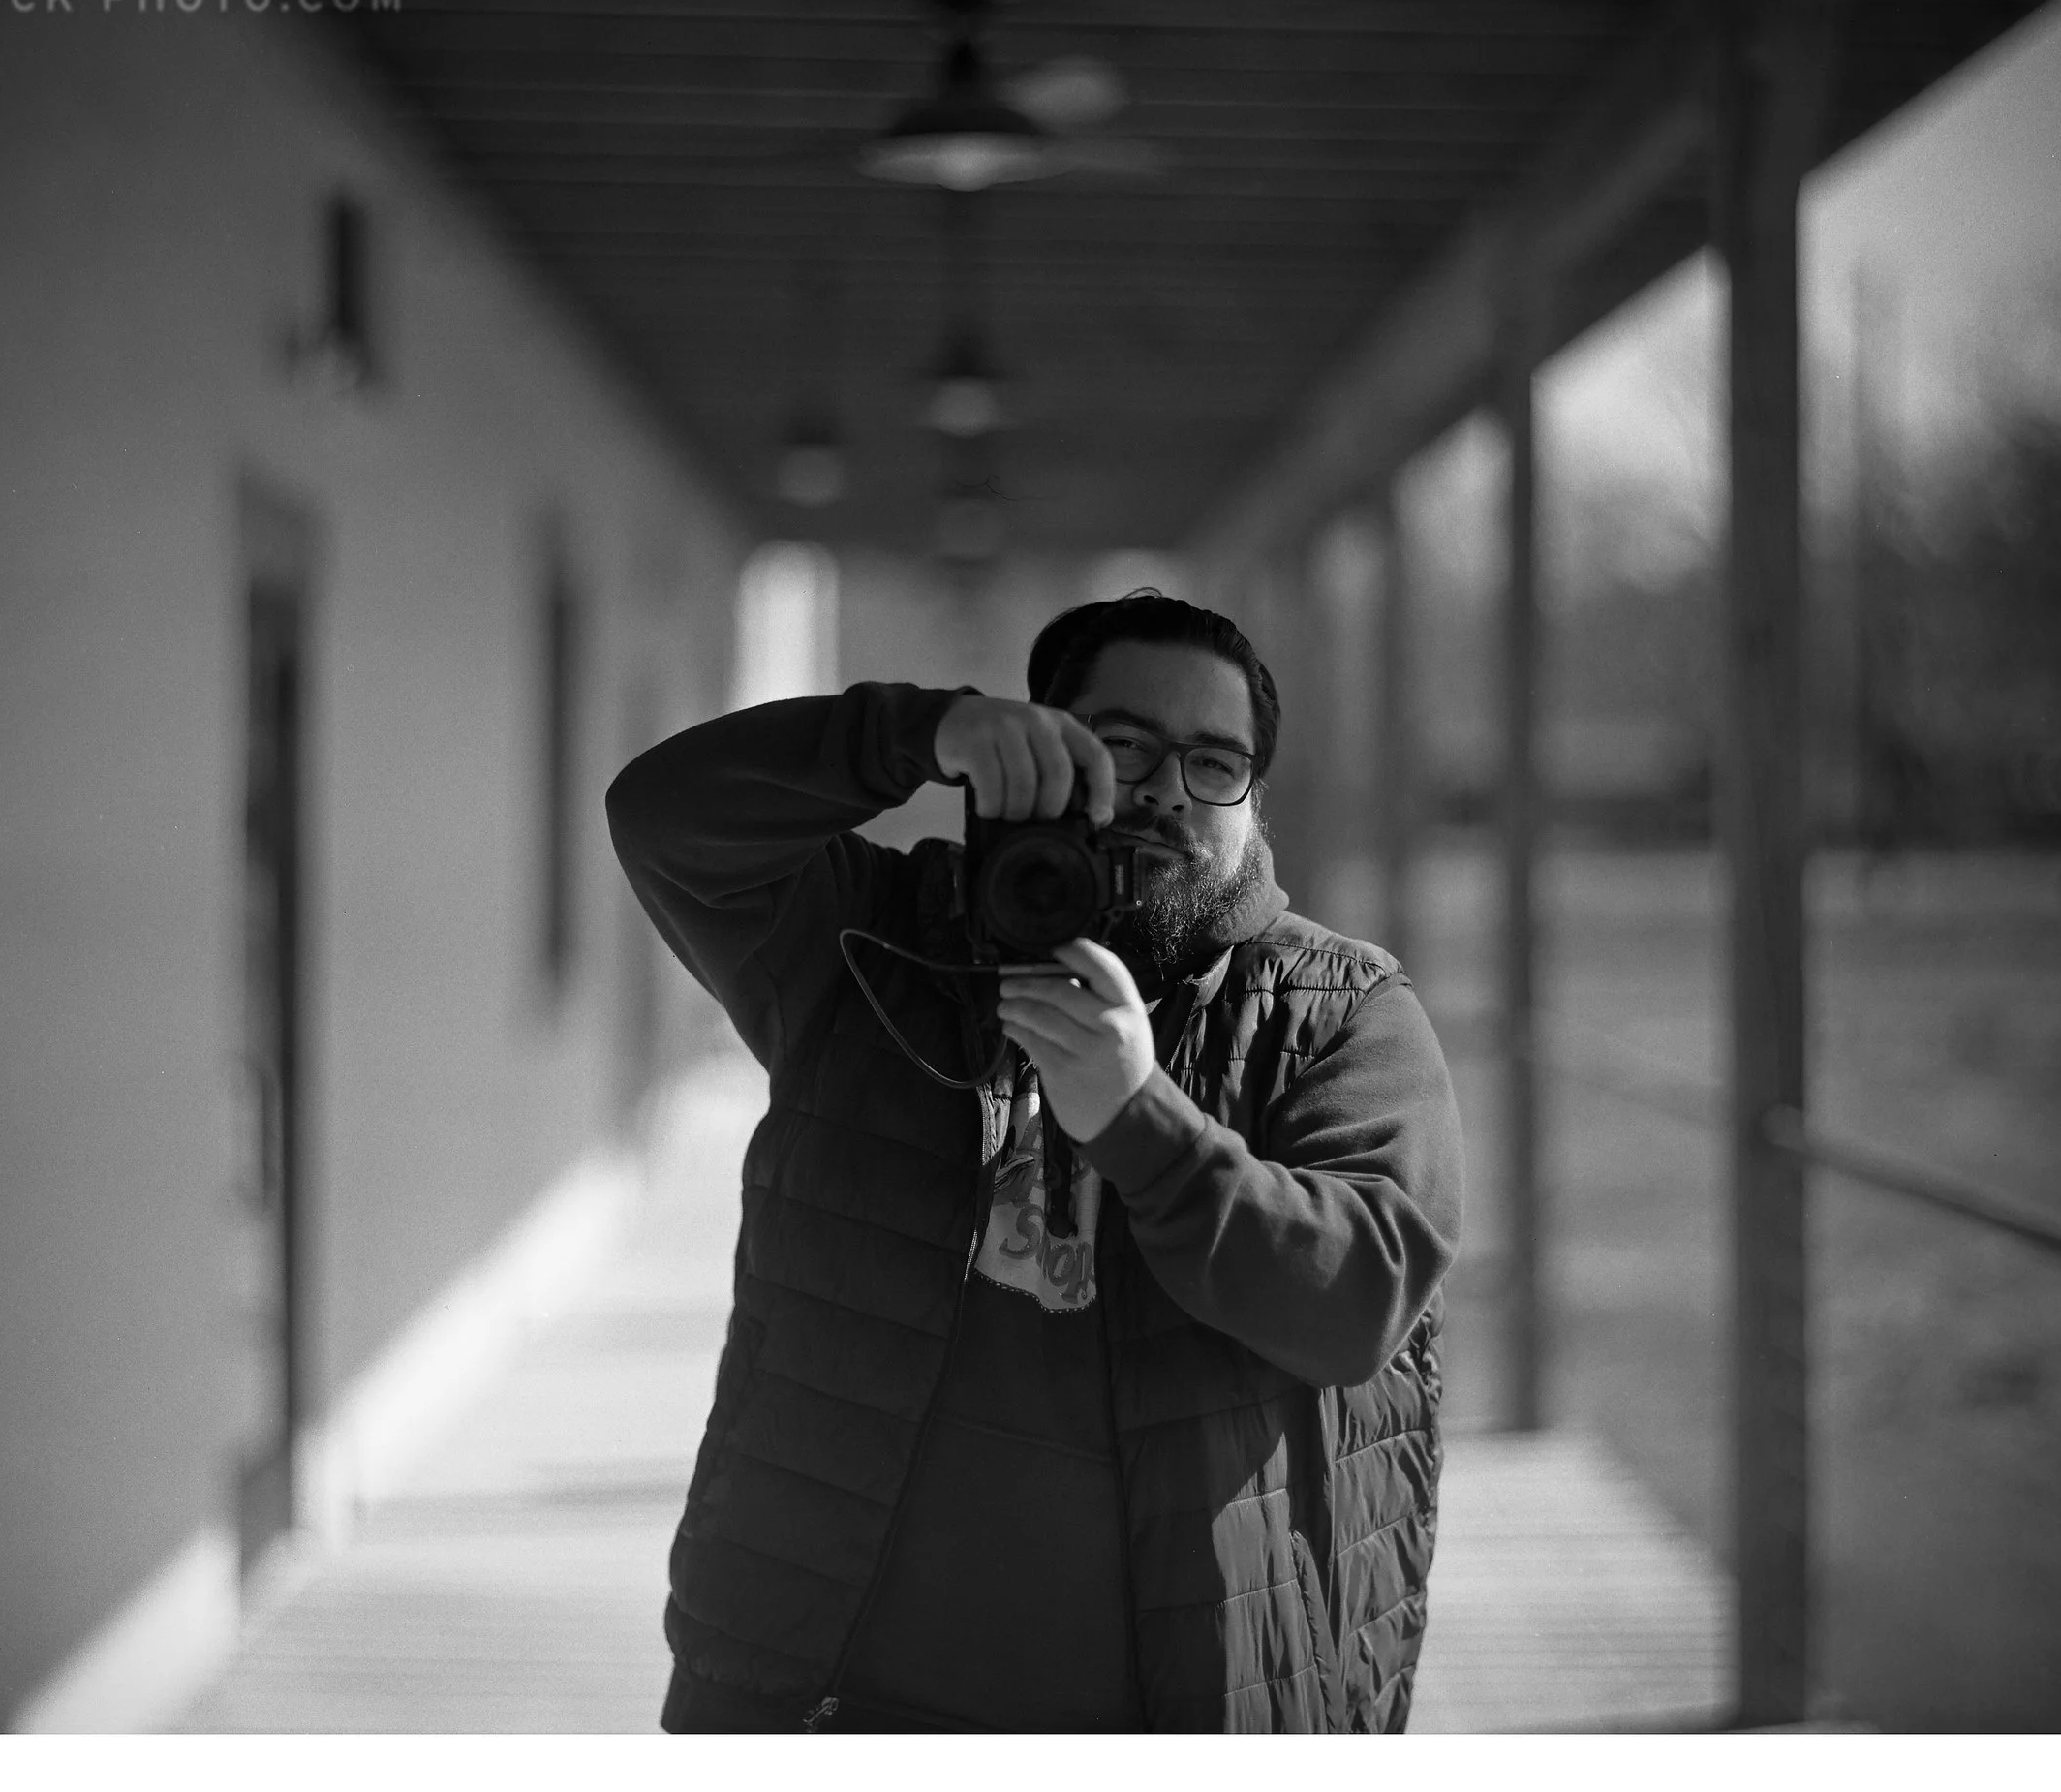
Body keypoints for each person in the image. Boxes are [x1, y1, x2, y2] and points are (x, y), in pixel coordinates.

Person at [606, 590, 1463, 1733]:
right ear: (1039, 753)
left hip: (1193, 1710)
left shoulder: (1338, 1009)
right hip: (828, 1696)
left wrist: (1138, 1119)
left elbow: (1357, 1297)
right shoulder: (870, 944)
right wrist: (915, 733)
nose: (1166, 789)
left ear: (1254, 798)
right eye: (1123, 746)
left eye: (1216, 762)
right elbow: (667, 815)